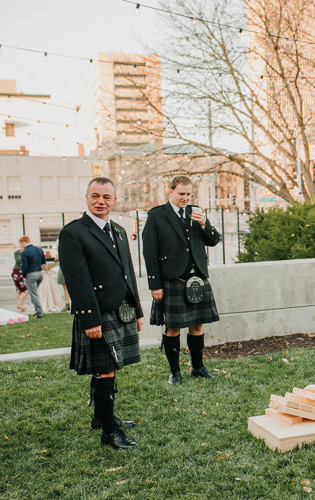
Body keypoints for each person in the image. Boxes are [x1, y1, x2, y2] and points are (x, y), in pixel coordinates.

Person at [58, 177, 143, 450]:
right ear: (86, 198)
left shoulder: (118, 230)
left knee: (109, 368)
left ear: (114, 201)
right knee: (105, 369)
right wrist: (89, 318)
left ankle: (101, 417)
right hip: (97, 313)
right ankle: (109, 431)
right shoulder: (73, 233)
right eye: (95, 196)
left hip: (120, 310)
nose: (100, 201)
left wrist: (137, 311)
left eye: (106, 197)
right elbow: (77, 279)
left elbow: (128, 273)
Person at [142, 175, 221, 385]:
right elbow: (149, 252)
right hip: (173, 279)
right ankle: (175, 372)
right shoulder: (157, 216)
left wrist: (205, 225)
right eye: (181, 194)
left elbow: (213, 240)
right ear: (171, 192)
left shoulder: (196, 212)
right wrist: (155, 284)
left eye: (188, 194)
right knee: (173, 328)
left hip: (198, 277)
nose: (185, 198)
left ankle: (198, 367)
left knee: (197, 326)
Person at [19, 235, 46, 319]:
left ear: (24, 242)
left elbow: (24, 266)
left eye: (20, 243)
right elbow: (43, 261)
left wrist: (23, 276)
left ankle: (39, 312)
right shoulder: (39, 249)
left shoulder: (25, 252)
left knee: (33, 294)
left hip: (31, 274)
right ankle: (36, 308)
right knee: (34, 293)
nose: (20, 245)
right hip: (40, 274)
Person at [12, 239, 29, 312]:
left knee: (20, 289)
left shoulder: (26, 251)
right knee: (24, 289)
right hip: (18, 272)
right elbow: (19, 261)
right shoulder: (17, 252)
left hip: (21, 271)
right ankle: (19, 304)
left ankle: (20, 306)